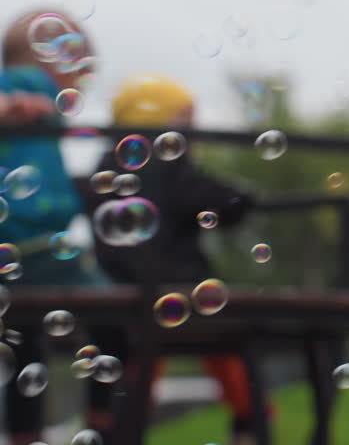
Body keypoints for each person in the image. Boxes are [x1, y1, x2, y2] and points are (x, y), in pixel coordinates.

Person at [81, 73, 266, 445]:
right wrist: (244, 196)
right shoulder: (171, 166)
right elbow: (219, 201)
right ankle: (251, 425)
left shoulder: (106, 164)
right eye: (183, 120)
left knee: (124, 366)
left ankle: (106, 427)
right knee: (231, 348)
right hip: (181, 287)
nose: (190, 131)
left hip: (118, 289)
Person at [0, 9, 112, 445]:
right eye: (79, 69)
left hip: (24, 249)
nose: (79, 84)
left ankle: (25, 438)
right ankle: (107, 425)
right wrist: (11, 104)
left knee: (25, 349)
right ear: (55, 60)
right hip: (38, 247)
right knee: (116, 318)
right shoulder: (26, 86)